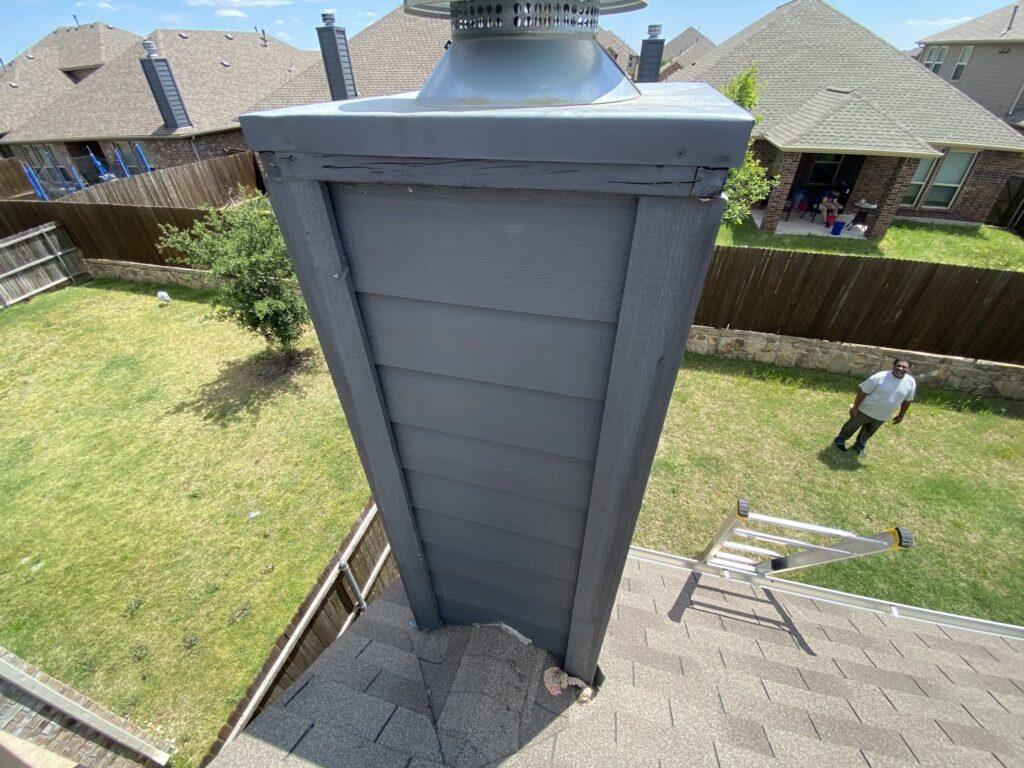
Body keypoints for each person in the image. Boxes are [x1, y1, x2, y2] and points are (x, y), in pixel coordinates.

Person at [834, 358, 915, 457]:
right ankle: (840, 440)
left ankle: (859, 446)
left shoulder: (910, 382)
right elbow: (862, 391)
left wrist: (901, 415)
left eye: (904, 367)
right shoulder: (880, 377)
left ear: (909, 369)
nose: (900, 368)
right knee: (851, 426)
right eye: (898, 365)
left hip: (883, 415)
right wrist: (855, 407)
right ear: (893, 366)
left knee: (868, 432)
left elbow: (907, 400)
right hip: (865, 410)